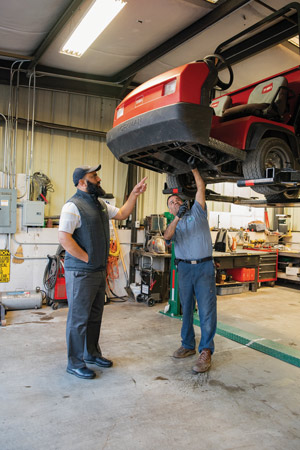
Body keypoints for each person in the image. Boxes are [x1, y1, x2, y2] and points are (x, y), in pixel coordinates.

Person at [59, 164, 147, 379]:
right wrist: (86, 258)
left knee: (95, 315)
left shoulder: (100, 204)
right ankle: (75, 362)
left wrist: (134, 194)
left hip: (97, 271)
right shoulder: (72, 207)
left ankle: (91, 353)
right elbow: (64, 238)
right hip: (81, 271)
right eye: (94, 176)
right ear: (82, 182)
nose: (99, 179)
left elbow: (124, 213)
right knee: (79, 318)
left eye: (97, 175)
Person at [164, 156, 217, 373]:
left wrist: (194, 168)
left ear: (184, 201)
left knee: (206, 310)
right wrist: (177, 217)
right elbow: (167, 237)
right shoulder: (173, 223)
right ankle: (188, 345)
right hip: (184, 268)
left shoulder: (197, 212)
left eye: (177, 201)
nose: (175, 203)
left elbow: (200, 188)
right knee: (186, 309)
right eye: (171, 203)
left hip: (203, 267)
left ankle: (206, 351)